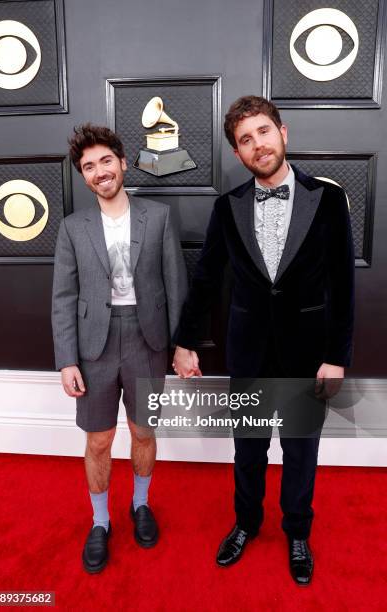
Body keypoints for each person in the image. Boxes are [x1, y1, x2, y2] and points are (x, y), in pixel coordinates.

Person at [172, 96, 354, 585]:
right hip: (248, 350)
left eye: (263, 132)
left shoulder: (329, 200)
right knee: (248, 449)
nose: (258, 145)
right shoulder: (226, 207)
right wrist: (186, 341)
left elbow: (342, 282)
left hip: (307, 353)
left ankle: (297, 531)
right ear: (238, 153)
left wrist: (336, 357)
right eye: (245, 140)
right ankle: (246, 523)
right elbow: (207, 279)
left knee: (300, 450)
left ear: (283, 133)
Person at [52, 124, 187, 573]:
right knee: (99, 440)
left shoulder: (160, 216)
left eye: (105, 161)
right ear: (84, 176)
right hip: (94, 347)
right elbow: (64, 297)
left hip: (147, 340)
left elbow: (176, 285)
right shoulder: (72, 228)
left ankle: (141, 505)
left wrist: (180, 344)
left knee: (144, 433)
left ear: (123, 163)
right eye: (88, 167)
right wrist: (67, 358)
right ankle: (101, 521)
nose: (98, 171)